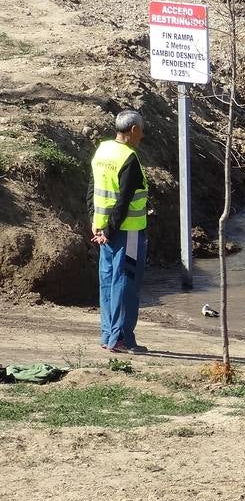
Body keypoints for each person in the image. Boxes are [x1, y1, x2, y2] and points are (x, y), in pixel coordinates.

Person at [90, 110, 150, 353]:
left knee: (107, 282)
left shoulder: (102, 151)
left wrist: (97, 224)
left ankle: (107, 336)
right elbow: (123, 201)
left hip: (103, 229)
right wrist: (111, 230)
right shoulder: (129, 158)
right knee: (125, 283)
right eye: (142, 130)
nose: (142, 136)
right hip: (128, 232)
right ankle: (121, 339)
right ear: (134, 130)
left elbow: (91, 189)